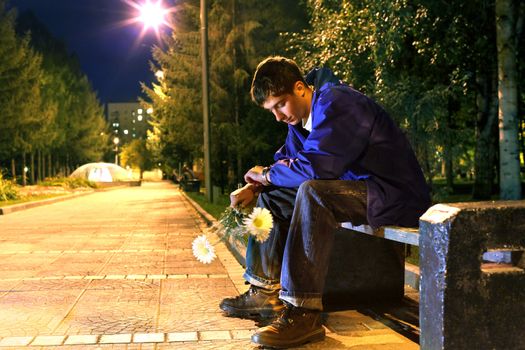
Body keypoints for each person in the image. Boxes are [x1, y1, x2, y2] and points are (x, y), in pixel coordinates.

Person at [220, 56, 431, 348]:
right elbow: (285, 163)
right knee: (274, 195)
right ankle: (263, 290)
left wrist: (266, 175)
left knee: (313, 191)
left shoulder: (339, 103)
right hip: (356, 191)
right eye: (271, 110)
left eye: (280, 104)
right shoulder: (300, 123)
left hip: (393, 193)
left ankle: (302, 313)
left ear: (300, 88)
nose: (278, 117)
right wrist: (255, 187)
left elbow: (319, 168)